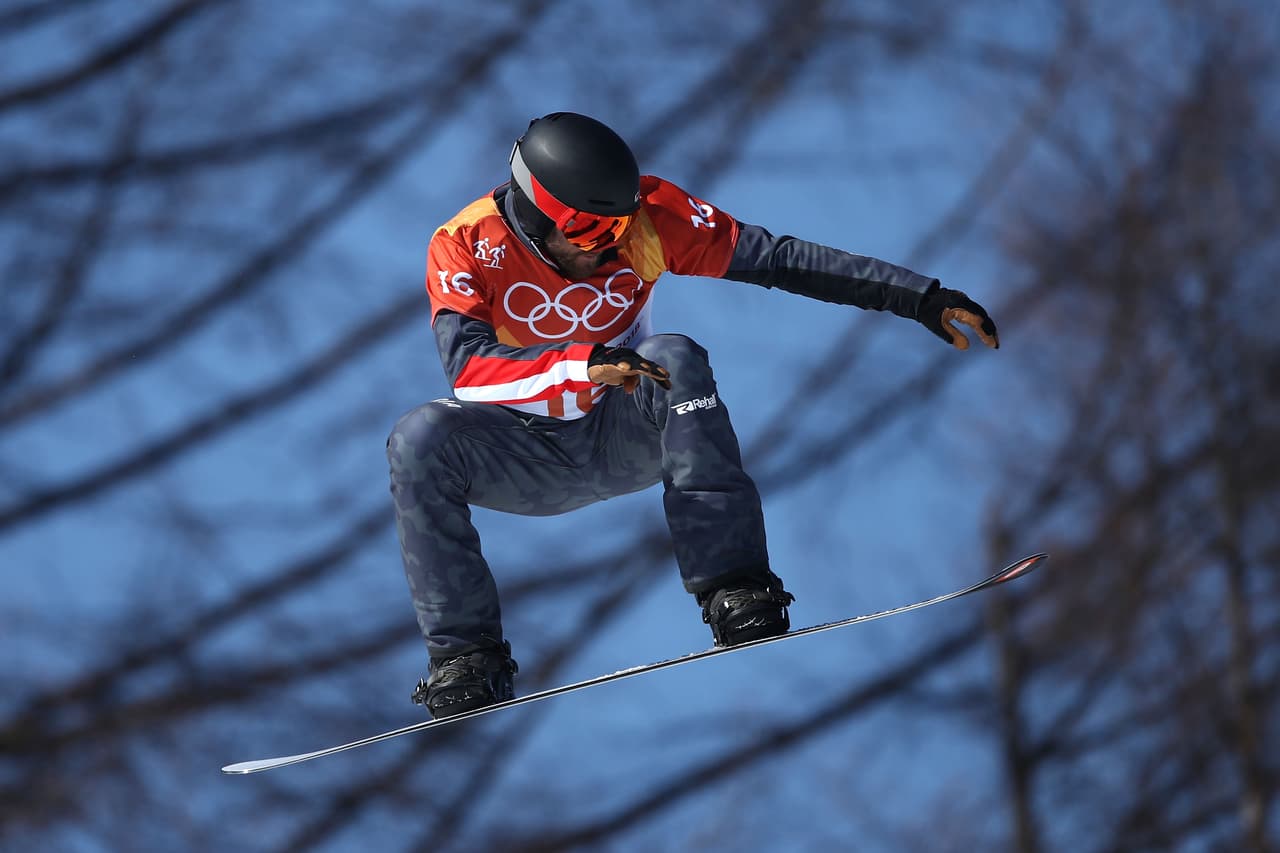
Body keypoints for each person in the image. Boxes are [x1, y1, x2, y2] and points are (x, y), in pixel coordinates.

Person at [388, 112, 999, 718]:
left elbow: (778, 258)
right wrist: (582, 365)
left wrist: (918, 296)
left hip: (626, 426)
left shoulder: (652, 222)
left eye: (618, 226)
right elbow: (468, 369)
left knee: (673, 356)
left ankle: (736, 586)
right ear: (535, 211)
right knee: (419, 438)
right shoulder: (466, 243)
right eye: (586, 227)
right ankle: (466, 659)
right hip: (521, 452)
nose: (606, 244)